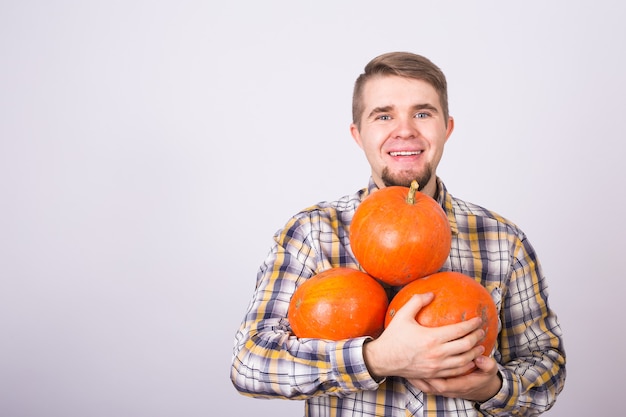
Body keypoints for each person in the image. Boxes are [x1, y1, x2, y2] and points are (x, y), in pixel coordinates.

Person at [230, 51, 566, 416]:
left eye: (423, 113)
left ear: (447, 128)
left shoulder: (502, 240)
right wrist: (377, 358)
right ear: (358, 134)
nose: (405, 130)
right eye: (384, 115)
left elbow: (546, 368)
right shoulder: (311, 233)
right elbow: (250, 364)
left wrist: (492, 387)